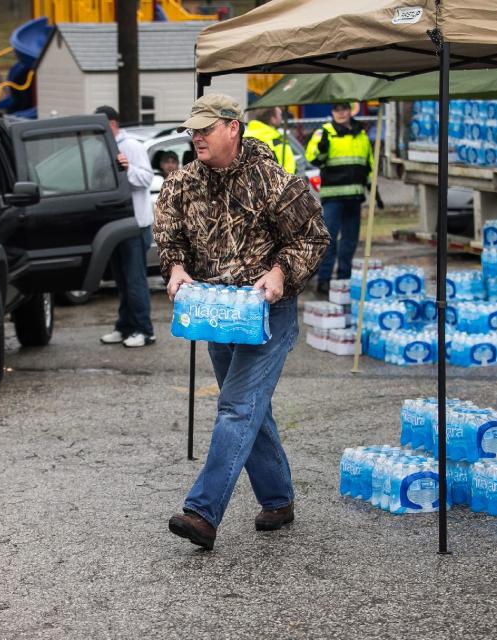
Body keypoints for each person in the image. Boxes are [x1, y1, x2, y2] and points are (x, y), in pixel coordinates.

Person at [155, 94, 329, 550]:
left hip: (267, 314)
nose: (196, 137)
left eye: (205, 128)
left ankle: (203, 513)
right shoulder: (182, 183)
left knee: (235, 406)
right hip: (215, 315)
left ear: (233, 127)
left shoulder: (275, 182)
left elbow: (314, 236)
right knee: (252, 410)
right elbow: (168, 234)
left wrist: (280, 272)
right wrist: (174, 268)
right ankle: (278, 499)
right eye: (192, 129)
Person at [94, 105, 156, 348]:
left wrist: (127, 168)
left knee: (135, 279)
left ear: (111, 124)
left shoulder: (131, 146)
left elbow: (146, 178)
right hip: (115, 225)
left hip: (135, 225)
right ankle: (124, 326)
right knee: (121, 279)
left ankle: (144, 330)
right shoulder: (103, 147)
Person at [305, 102, 377, 294]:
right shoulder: (324, 132)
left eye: (344, 109)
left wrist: (372, 186)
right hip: (333, 196)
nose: (341, 113)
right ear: (332, 112)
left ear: (350, 110)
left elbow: (367, 161)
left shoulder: (360, 132)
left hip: (354, 196)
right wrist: (322, 148)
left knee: (350, 242)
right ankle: (324, 280)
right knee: (329, 241)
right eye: (337, 109)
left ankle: (344, 280)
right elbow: (312, 157)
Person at [243, 106, 297, 174]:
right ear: (272, 119)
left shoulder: (244, 136)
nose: (281, 118)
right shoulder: (276, 141)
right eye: (280, 115)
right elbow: (289, 170)